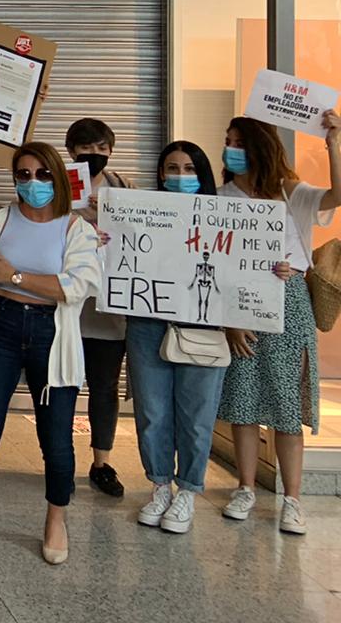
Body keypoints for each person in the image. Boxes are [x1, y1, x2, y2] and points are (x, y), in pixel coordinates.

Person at [0, 141, 101, 568]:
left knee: (56, 439)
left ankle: (56, 519)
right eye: (23, 175)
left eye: (42, 175)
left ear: (58, 177)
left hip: (53, 335)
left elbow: (74, 287)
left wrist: (12, 275)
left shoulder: (77, 230)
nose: (33, 183)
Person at [216, 111, 339, 536]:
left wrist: (333, 143)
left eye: (236, 141)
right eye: (227, 141)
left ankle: (293, 499)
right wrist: (229, 321)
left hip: (290, 303)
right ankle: (245, 488)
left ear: (257, 146)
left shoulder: (292, 192)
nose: (228, 149)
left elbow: (336, 196)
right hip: (240, 306)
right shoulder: (221, 196)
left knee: (287, 403)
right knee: (243, 399)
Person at [128, 141, 229, 534]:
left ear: (202, 173)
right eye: (172, 168)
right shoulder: (143, 214)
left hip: (202, 327)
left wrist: (272, 272)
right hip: (146, 323)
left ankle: (188, 490)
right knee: (151, 412)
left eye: (189, 168)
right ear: (160, 173)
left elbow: (242, 269)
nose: (180, 176)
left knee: (196, 415)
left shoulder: (227, 217)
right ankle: (159, 486)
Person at [67, 117, 133, 498]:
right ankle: (59, 458)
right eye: (86, 149)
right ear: (71, 151)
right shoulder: (59, 185)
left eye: (101, 149)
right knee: (60, 384)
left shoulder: (123, 188)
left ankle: (101, 462)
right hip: (70, 304)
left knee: (104, 388)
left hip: (109, 310)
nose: (94, 156)